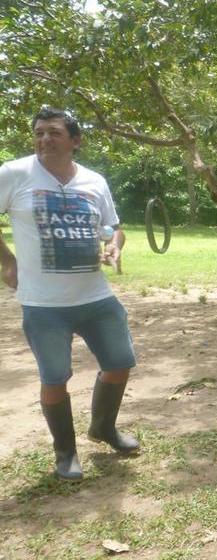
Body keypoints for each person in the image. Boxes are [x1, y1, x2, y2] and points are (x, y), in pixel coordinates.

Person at [0, 107, 139, 481]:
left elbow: (115, 227)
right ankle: (66, 453)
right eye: (39, 132)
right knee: (55, 377)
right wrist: (8, 261)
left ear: (75, 141)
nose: (45, 139)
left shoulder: (94, 181)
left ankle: (104, 428)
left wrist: (115, 245)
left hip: (95, 295)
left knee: (119, 362)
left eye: (54, 132)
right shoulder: (13, 174)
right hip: (43, 303)